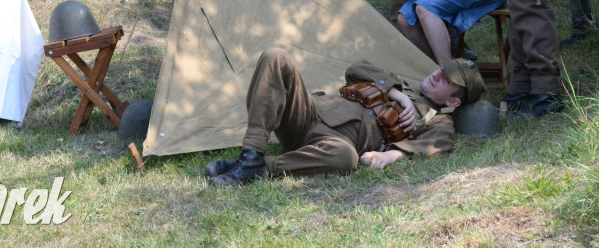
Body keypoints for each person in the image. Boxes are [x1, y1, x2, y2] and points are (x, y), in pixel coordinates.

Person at [205, 49, 485, 186]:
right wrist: (397, 94)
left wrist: (390, 156)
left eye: (447, 78)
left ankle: (258, 168)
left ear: (453, 100)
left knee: (345, 158)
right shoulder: (399, 84)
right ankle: (251, 152)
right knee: (276, 57)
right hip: (309, 113)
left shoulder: (438, 120)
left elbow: (437, 144)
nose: (437, 74)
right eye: (441, 68)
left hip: (333, 142)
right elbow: (356, 68)